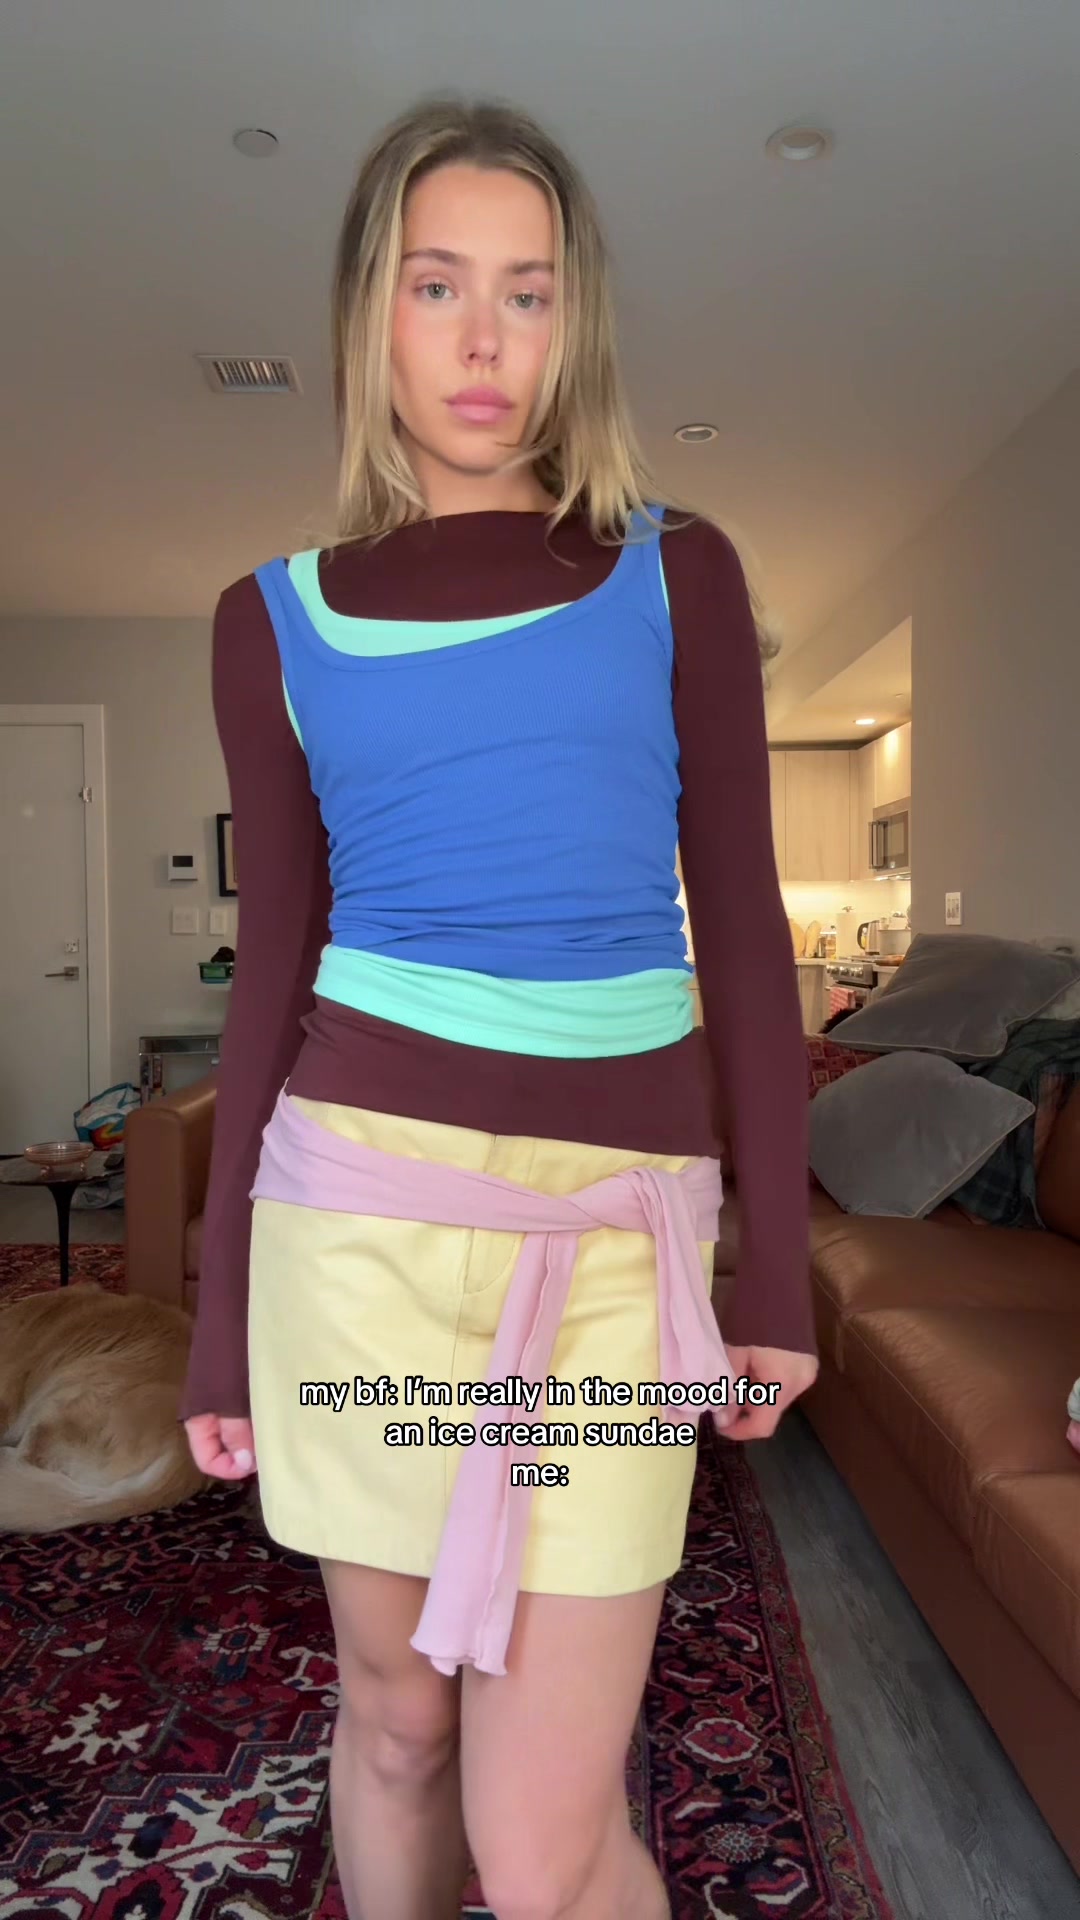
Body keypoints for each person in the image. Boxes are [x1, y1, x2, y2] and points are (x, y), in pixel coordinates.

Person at [180, 95, 818, 1920]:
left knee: (542, 1846)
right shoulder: (270, 620)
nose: (484, 339)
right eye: (437, 284)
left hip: (615, 1249)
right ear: (368, 315)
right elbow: (276, 968)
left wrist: (774, 1271)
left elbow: (745, 931)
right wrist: (220, 1317)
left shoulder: (678, 571)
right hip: (355, 1231)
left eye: (528, 293)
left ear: (573, 320)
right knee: (393, 1723)